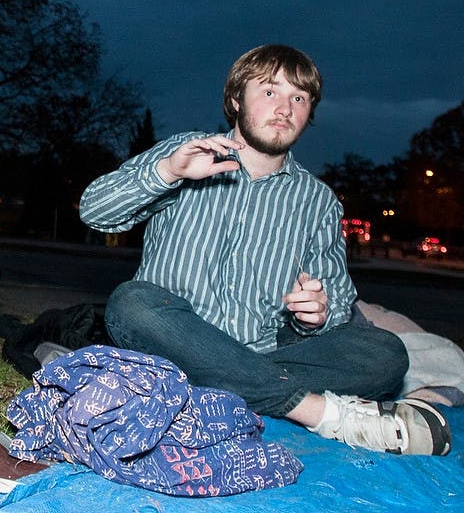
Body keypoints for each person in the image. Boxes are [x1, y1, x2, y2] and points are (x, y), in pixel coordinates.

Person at [81, 44, 451, 456]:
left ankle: (217, 388)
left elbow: (337, 306)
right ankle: (321, 413)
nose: (285, 108)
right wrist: (167, 171)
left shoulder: (318, 201)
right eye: (270, 91)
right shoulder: (188, 149)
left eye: (299, 98)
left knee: (385, 353)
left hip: (260, 354)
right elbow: (95, 212)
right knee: (132, 302)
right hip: (170, 340)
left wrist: (316, 317)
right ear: (236, 99)